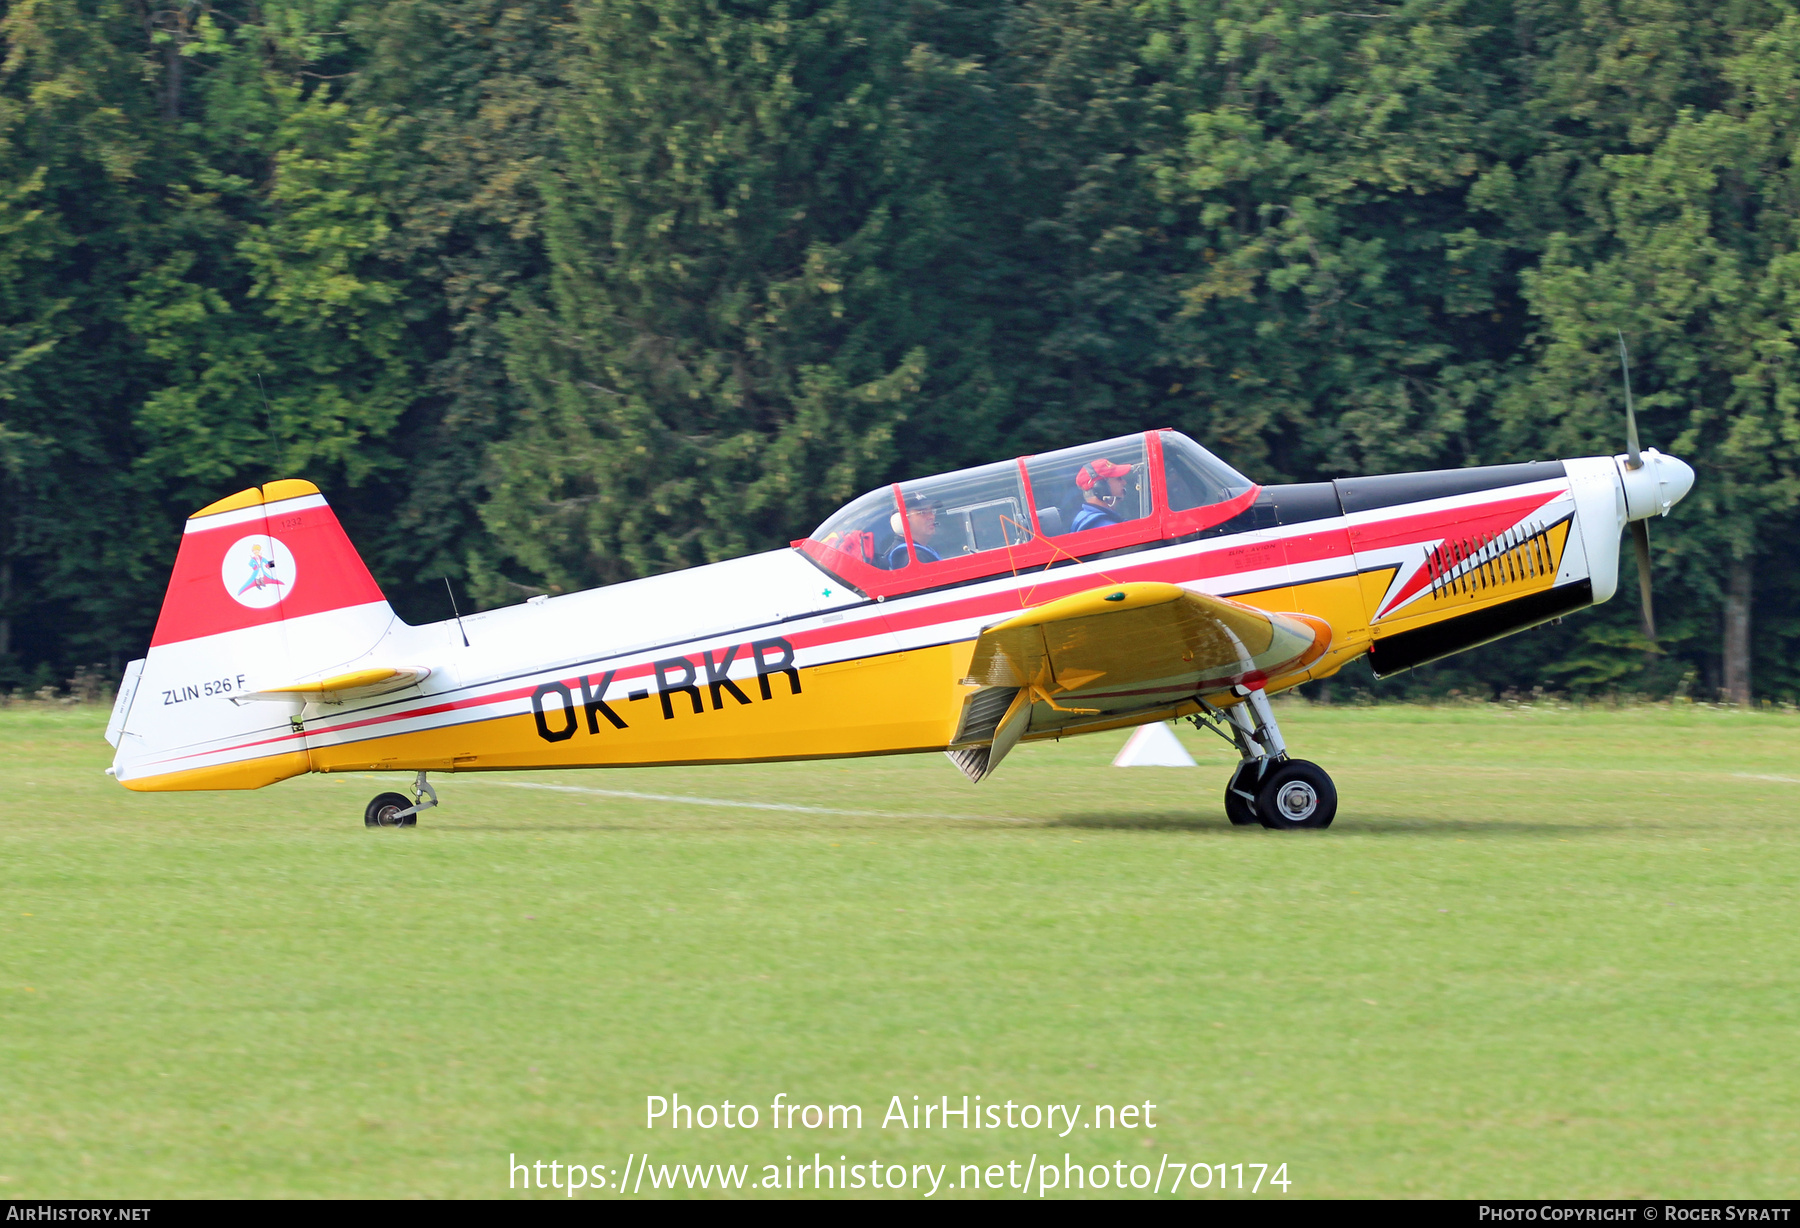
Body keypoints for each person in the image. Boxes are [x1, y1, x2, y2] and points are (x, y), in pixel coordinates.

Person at [1068, 459, 1134, 532]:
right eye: (1119, 478)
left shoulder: (1091, 518)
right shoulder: (1102, 527)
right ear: (1101, 487)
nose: (1124, 482)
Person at [884, 497, 943, 569]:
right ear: (901, 520)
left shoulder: (919, 550)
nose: (932, 516)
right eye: (922, 512)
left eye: (932, 511)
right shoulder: (914, 557)